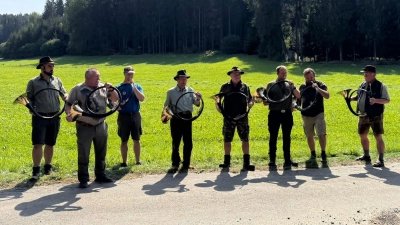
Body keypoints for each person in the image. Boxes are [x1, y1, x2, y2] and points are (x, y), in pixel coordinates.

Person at [65, 68, 119, 188]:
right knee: (83, 152)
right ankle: (83, 179)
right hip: (84, 126)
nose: (99, 79)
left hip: (101, 124)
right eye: (96, 77)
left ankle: (100, 174)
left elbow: (115, 99)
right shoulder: (78, 89)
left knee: (101, 151)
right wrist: (69, 114)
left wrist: (111, 88)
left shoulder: (103, 87)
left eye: (99, 76)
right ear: (88, 78)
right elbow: (69, 104)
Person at [25, 56, 68, 182]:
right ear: (42, 67)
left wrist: (66, 96)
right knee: (37, 144)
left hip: (55, 116)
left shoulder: (57, 80)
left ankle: (48, 167)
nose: (52, 68)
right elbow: (28, 98)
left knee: (50, 143)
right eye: (49, 66)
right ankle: (36, 170)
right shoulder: (33, 82)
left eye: (53, 65)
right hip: (39, 117)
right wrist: (31, 108)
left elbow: (64, 93)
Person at [216, 67, 255, 171]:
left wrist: (251, 103)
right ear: (230, 75)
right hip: (228, 117)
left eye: (238, 74)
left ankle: (246, 163)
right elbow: (218, 99)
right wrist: (218, 106)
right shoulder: (225, 87)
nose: (237, 75)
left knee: (245, 139)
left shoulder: (245, 87)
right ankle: (226, 162)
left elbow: (250, 99)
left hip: (242, 116)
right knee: (227, 139)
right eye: (234, 74)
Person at [162, 70, 201, 173]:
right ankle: (175, 164)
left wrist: (198, 99)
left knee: (188, 142)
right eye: (182, 78)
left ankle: (186, 163)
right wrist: (168, 116)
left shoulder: (190, 90)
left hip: (188, 117)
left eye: (185, 78)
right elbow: (166, 106)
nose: (184, 80)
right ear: (177, 79)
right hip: (176, 118)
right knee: (176, 141)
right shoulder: (171, 92)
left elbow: (196, 104)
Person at [351, 65, 390, 167]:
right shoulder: (362, 84)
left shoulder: (381, 86)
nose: (365, 75)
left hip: (376, 115)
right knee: (362, 135)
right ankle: (366, 155)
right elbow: (358, 96)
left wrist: (376, 100)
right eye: (364, 73)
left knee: (378, 136)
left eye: (367, 73)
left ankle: (381, 159)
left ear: (373, 74)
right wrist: (351, 98)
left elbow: (387, 100)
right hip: (363, 115)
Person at [264, 65, 301, 170]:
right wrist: (266, 101)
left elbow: (298, 96)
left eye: (285, 73)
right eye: (282, 73)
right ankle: (272, 160)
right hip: (274, 113)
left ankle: (287, 159)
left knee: (287, 137)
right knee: (273, 136)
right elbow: (265, 102)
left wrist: (293, 86)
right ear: (277, 73)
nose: (284, 75)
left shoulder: (289, 84)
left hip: (287, 113)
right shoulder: (271, 84)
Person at [298, 68, 330, 168]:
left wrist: (317, 88)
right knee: (309, 135)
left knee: (322, 133)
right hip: (306, 114)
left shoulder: (320, 84)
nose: (309, 79)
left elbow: (327, 96)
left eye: (311, 77)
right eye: (307, 77)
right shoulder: (302, 87)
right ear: (304, 77)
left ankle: (323, 153)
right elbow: (299, 99)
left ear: (314, 76)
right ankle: (313, 154)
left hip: (318, 113)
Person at [116, 66, 145, 167]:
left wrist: (133, 87)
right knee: (124, 140)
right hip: (123, 116)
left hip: (135, 115)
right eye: (128, 74)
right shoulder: (119, 87)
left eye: (132, 74)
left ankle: (138, 161)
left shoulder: (138, 86)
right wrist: (115, 106)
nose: (130, 76)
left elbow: (141, 99)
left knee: (136, 139)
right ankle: (124, 162)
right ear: (124, 74)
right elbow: (111, 100)